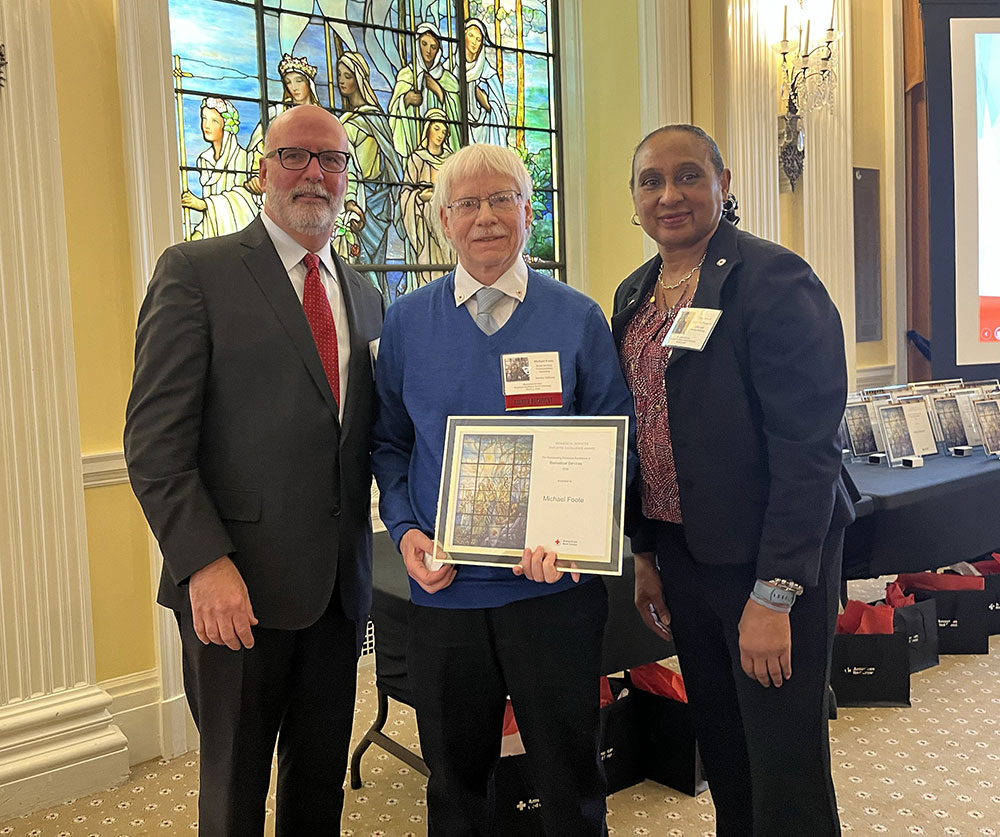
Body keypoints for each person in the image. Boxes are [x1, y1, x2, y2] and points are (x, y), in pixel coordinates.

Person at [124, 105, 384, 836]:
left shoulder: (364, 292)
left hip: (337, 594)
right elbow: (154, 441)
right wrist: (204, 565)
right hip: (232, 594)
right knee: (234, 791)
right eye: (296, 156)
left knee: (319, 785)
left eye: (331, 160)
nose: (315, 173)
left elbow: (369, 437)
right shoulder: (196, 271)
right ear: (262, 168)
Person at [372, 142, 634, 836]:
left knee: (572, 782)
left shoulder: (576, 317)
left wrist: (579, 536)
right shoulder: (405, 323)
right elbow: (390, 443)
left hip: (553, 596)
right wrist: (405, 531)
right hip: (446, 595)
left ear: (527, 209)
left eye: (500, 199)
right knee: (456, 788)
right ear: (443, 221)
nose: (485, 217)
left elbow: (616, 439)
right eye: (466, 204)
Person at [611, 124, 855, 836]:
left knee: (784, 760)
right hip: (685, 560)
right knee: (724, 747)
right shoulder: (634, 292)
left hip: (769, 562)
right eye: (651, 181)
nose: (670, 194)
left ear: (723, 184)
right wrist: (648, 554)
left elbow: (808, 450)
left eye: (688, 175)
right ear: (634, 200)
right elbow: (645, 431)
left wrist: (775, 592)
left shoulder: (773, 279)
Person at [335, 50, 404, 268]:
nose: (342, 81)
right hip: (355, 197)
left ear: (359, 78)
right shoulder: (343, 120)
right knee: (357, 260)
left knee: (375, 263)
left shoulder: (374, 117)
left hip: (378, 200)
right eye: (339, 75)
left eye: (348, 75)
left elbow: (391, 158)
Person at [245, 53, 322, 196]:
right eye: (288, 81)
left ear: (309, 83)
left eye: (299, 80)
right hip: (283, 183)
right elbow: (259, 147)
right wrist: (257, 175)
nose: (294, 87)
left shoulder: (325, 120)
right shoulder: (275, 114)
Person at [181, 97, 258, 239]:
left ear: (226, 126)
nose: (206, 125)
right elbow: (211, 217)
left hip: (241, 237)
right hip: (214, 231)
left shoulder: (243, 159)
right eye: (204, 118)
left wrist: (204, 204)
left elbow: (243, 201)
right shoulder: (204, 160)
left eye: (214, 121)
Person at [398, 107, 454, 290]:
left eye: (444, 131)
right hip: (424, 224)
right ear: (427, 129)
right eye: (437, 128)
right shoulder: (417, 159)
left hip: (449, 224)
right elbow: (406, 192)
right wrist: (419, 197)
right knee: (430, 270)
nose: (441, 135)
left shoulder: (451, 160)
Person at [388, 21, 461, 158]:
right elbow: (393, 113)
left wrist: (439, 91)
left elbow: (457, 117)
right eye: (424, 44)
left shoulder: (448, 79)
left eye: (433, 47)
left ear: (438, 50)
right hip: (412, 139)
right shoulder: (407, 75)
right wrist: (405, 100)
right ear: (417, 44)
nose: (428, 51)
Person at [463, 18, 509, 146]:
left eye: (478, 39)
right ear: (463, 36)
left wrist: (488, 105)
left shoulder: (490, 75)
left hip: (487, 137)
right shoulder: (452, 70)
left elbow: (503, 117)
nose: (474, 42)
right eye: (471, 36)